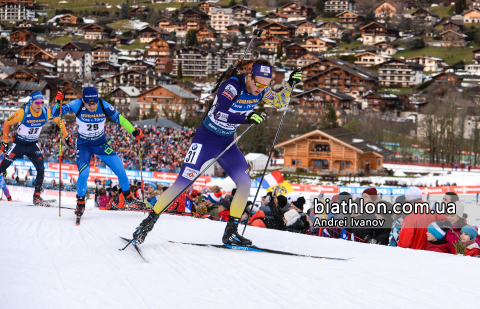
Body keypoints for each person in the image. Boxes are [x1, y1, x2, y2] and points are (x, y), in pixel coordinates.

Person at [133, 59, 302, 246]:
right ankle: (147, 223)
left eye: (265, 85)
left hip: (226, 142)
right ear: (250, 76)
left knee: (245, 182)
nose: (260, 89)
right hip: (205, 140)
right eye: (258, 84)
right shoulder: (231, 87)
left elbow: (279, 101)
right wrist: (246, 118)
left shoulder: (261, 88)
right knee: (182, 183)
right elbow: (220, 112)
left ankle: (231, 232)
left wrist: (290, 84)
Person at [54, 87, 145, 219]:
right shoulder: (76, 104)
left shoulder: (104, 105)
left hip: (101, 144)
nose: (92, 106)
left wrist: (133, 131)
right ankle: (80, 203)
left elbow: (121, 119)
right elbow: (57, 113)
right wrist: (58, 102)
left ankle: (128, 199)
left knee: (121, 170)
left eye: (94, 103)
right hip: (84, 145)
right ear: (83, 101)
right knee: (84, 173)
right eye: (89, 103)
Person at [0, 92, 69, 205]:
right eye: (37, 102)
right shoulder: (23, 112)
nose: (39, 105)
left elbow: (59, 121)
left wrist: (66, 136)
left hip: (32, 145)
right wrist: (5, 141)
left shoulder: (45, 112)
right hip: (19, 144)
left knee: (41, 169)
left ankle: (37, 196)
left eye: (41, 102)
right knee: (2, 167)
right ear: (31, 102)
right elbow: (7, 123)